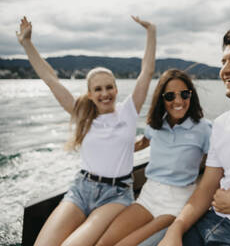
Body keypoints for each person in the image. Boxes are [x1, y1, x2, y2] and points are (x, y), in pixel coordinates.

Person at [16, 15, 156, 245]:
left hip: (116, 194)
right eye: (98, 89)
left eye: (109, 87)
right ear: (90, 94)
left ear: (116, 88)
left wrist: (151, 31)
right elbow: (51, 80)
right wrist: (27, 43)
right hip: (82, 189)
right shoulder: (83, 115)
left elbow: (147, 72)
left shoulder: (128, 111)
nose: (105, 93)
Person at [158, 28, 230, 246]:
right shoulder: (222, 124)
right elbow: (207, 188)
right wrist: (176, 228)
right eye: (223, 61)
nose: (225, 70)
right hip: (211, 220)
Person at [95, 69, 212, 246]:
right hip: (149, 195)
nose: (178, 101)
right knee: (103, 242)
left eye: (184, 94)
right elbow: (142, 143)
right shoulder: (156, 125)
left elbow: (216, 165)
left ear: (191, 96)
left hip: (177, 202)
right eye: (170, 96)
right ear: (162, 99)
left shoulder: (204, 129)